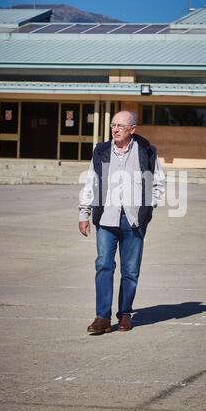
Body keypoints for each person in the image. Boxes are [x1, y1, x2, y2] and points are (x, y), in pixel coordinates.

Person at [78, 110, 165, 334]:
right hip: (106, 218)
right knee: (103, 265)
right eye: (113, 125)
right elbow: (91, 182)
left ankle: (125, 314)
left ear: (132, 130)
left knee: (130, 271)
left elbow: (158, 184)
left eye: (120, 126)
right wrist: (83, 213)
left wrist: (147, 208)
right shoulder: (101, 151)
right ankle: (102, 317)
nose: (115, 129)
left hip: (134, 221)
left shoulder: (147, 150)